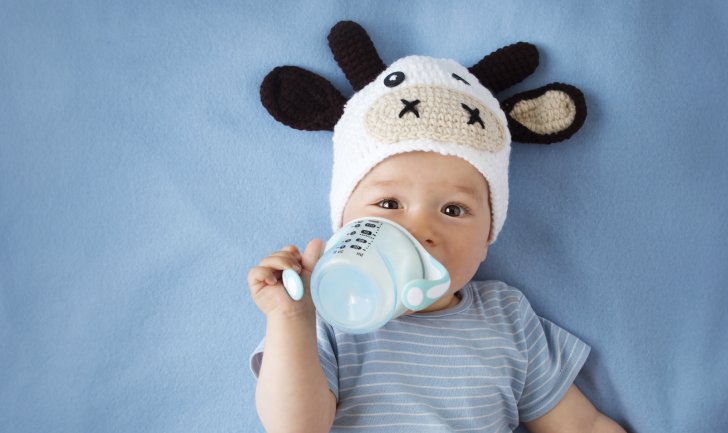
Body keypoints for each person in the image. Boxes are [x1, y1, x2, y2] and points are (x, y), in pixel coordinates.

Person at [248, 22, 625, 433]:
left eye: (454, 209)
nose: (418, 229)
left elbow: (582, 424)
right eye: (389, 203)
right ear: (343, 223)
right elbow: (295, 427)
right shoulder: (322, 314)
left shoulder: (508, 318)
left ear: (487, 238)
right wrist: (290, 320)